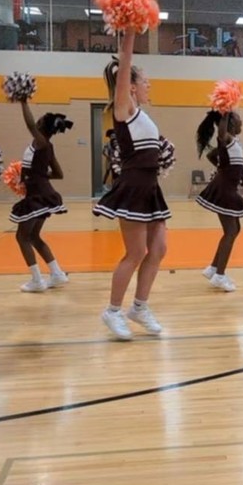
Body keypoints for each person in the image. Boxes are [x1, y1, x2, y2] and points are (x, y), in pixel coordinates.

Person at [92, 30, 168, 341]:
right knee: (135, 253)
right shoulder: (124, 109)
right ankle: (112, 311)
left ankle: (139, 306)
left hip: (151, 189)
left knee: (159, 249)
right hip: (134, 188)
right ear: (131, 87)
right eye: (145, 81)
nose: (149, 86)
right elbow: (124, 67)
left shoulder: (143, 115)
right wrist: (131, 35)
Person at [10, 101, 71, 292]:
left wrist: (23, 101)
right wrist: (34, 175)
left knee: (22, 237)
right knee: (34, 236)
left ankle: (37, 281)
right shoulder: (47, 146)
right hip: (44, 193)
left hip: (37, 197)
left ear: (41, 127)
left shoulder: (41, 141)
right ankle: (57, 274)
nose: (35, 121)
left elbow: (28, 124)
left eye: (39, 120)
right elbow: (59, 174)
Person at [195, 109, 243, 292]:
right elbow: (220, 133)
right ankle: (219, 276)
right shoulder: (226, 138)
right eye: (239, 118)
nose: (242, 121)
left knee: (235, 230)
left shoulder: (233, 142)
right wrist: (225, 110)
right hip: (224, 191)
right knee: (231, 231)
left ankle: (213, 268)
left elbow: (212, 156)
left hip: (226, 188)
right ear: (231, 123)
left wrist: (222, 168)